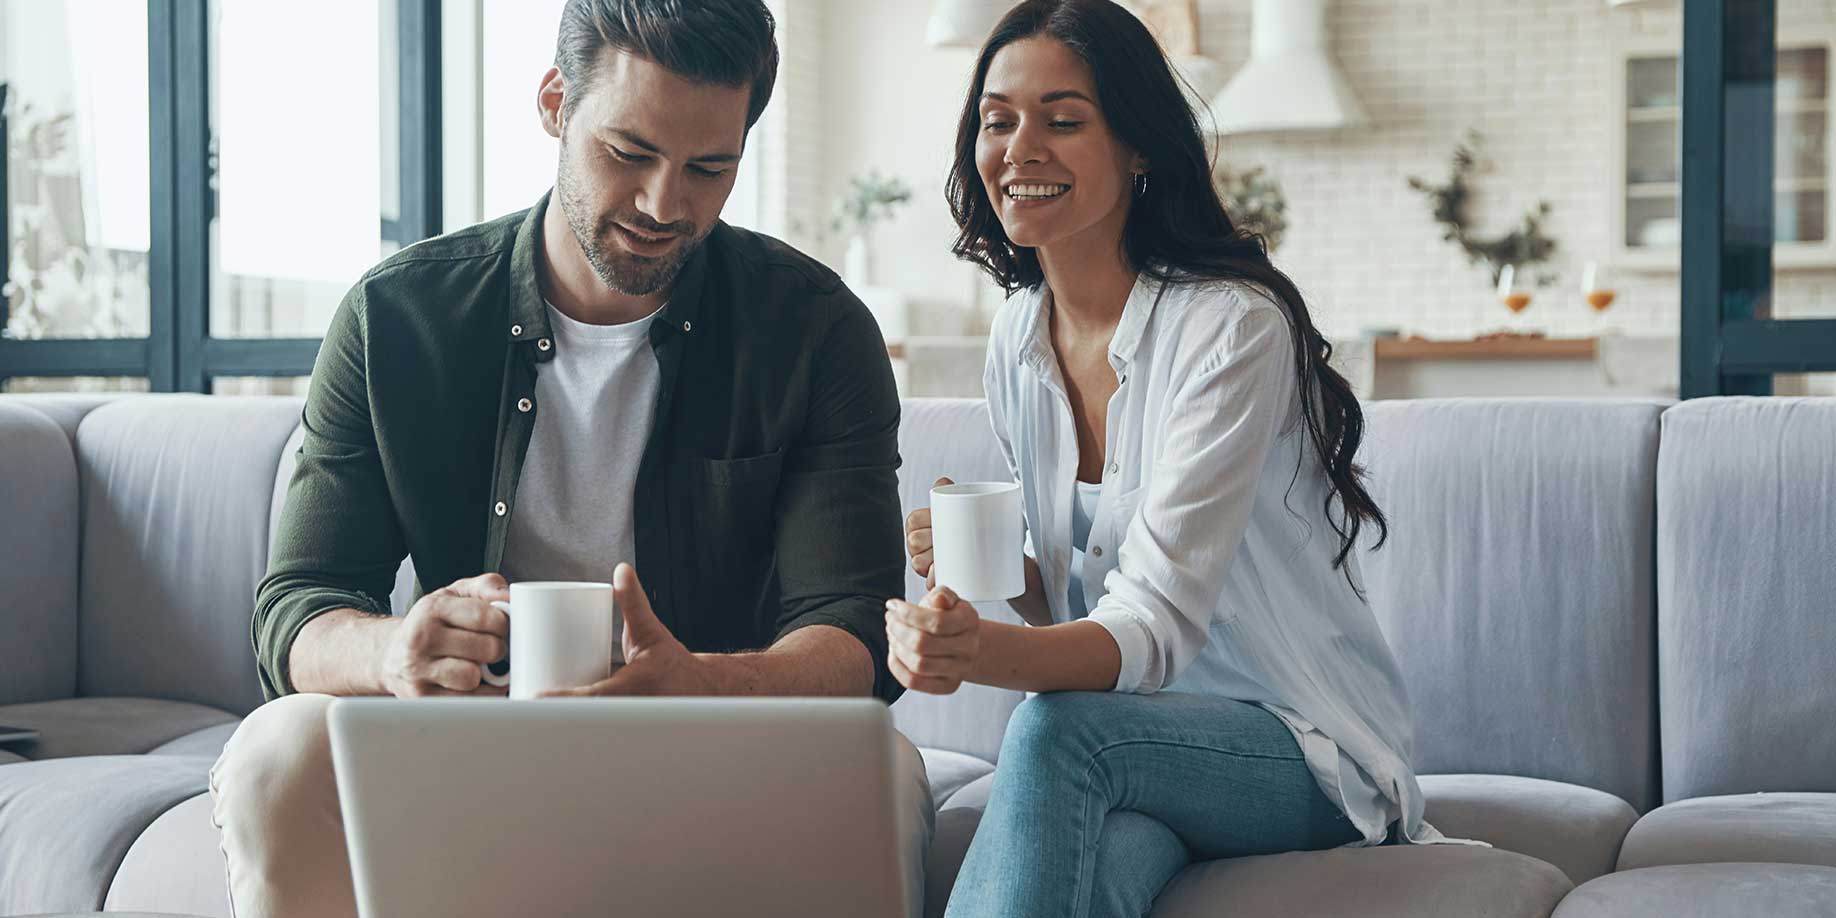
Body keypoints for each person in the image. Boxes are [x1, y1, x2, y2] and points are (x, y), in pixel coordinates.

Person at [209, 2, 931, 916]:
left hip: (722, 740)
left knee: (885, 770)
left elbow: (854, 633)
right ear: (555, 103)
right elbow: (297, 604)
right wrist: (397, 649)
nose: (667, 205)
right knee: (279, 750)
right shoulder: (397, 318)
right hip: (472, 739)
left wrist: (699, 685)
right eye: (629, 153)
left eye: (710, 169)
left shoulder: (816, 331)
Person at [884, 2, 1471, 916]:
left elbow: (1150, 630)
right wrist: (993, 569)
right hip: (1143, 748)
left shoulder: (1230, 327)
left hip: (1296, 749)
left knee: (1054, 733)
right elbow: (1073, 609)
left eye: (1064, 120)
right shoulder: (1015, 336)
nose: (1020, 147)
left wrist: (973, 654)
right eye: (998, 120)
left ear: (1139, 149)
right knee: (1086, 871)